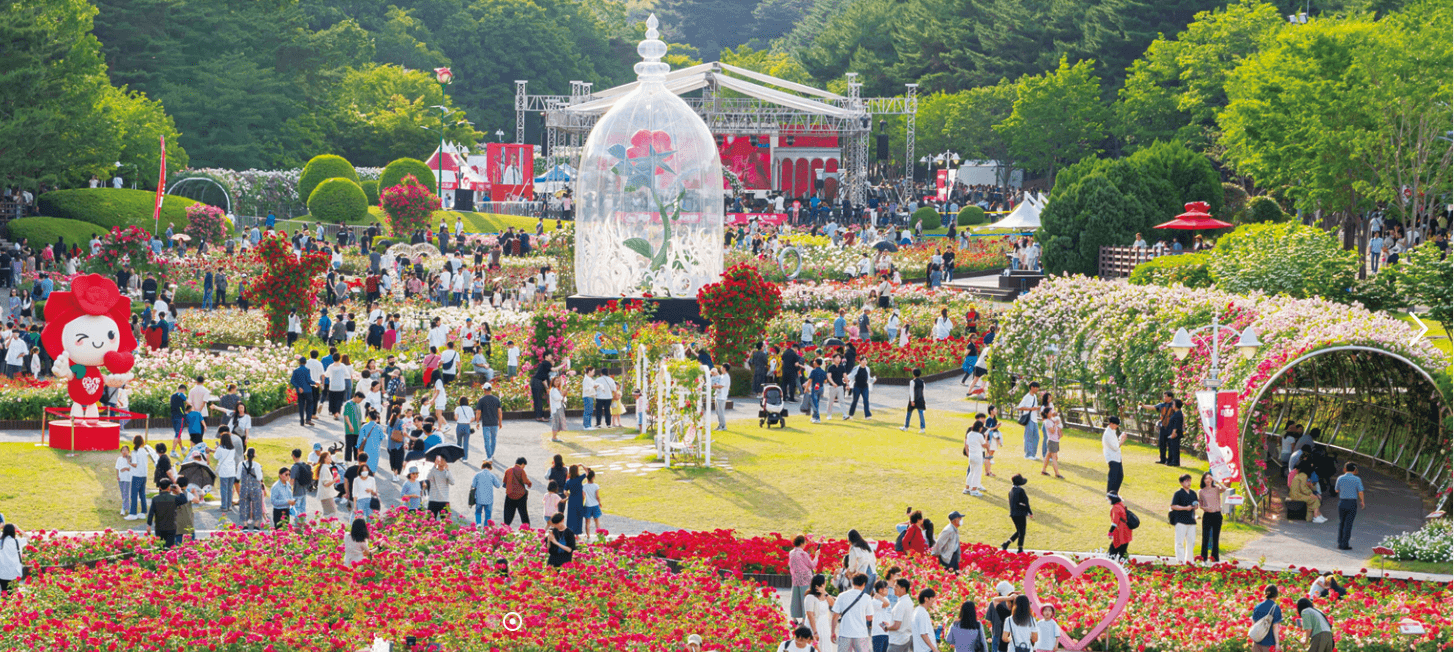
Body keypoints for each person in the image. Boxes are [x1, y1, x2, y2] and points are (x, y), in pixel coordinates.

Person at [830, 573, 875, 652]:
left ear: (853, 582)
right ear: (864, 584)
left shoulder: (841, 596)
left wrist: (833, 632)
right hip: (861, 634)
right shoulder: (867, 598)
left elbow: (835, 616)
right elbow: (869, 618)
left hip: (845, 633)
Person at [788, 535, 820, 624]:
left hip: (795, 578)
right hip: (805, 579)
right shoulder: (803, 554)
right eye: (805, 542)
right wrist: (816, 556)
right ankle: (803, 619)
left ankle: (794, 618)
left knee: (795, 598)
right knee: (804, 599)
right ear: (802, 543)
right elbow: (812, 565)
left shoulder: (791, 553)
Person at [1333, 462, 1365, 550]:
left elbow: (1336, 490)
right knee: (1348, 524)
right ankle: (1345, 544)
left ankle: (1340, 543)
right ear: (1355, 470)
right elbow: (1360, 491)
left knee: (1341, 522)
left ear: (1345, 469)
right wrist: (1362, 501)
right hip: (1352, 503)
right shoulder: (1357, 479)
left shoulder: (1340, 478)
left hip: (1342, 502)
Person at [1170, 473, 1199, 564]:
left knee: (1191, 541)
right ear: (1181, 483)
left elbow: (1196, 504)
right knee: (1179, 542)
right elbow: (1173, 506)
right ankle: (1180, 561)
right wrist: (1185, 508)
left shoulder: (1193, 493)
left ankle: (1189, 560)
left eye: (1189, 481)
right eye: (1186, 481)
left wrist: (1195, 507)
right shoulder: (1178, 493)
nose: (1188, 483)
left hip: (1191, 520)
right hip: (1180, 520)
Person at [1198, 473, 1226, 562]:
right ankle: (1204, 557)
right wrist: (1206, 508)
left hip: (1217, 514)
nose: (1208, 480)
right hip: (1207, 515)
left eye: (1209, 478)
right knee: (1205, 536)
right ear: (1203, 480)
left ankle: (1215, 557)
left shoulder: (1216, 488)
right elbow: (1200, 505)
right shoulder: (1201, 491)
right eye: (1206, 478)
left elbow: (1224, 489)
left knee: (1215, 536)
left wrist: (1217, 481)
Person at [1002, 475, 1033, 554]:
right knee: (1022, 531)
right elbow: (1026, 502)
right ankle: (1020, 548)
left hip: (1013, 514)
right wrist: (1029, 512)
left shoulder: (1010, 491)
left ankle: (1007, 543)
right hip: (1020, 514)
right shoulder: (1021, 490)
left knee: (1019, 531)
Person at [236, 448, 265, 530]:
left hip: (244, 487)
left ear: (246, 455)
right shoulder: (257, 465)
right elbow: (259, 477)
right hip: (255, 488)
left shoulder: (241, 464)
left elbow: (238, 477)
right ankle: (256, 525)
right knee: (257, 506)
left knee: (244, 506)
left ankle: (245, 525)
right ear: (254, 455)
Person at [146, 478, 180, 547]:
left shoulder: (155, 498)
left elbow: (151, 513)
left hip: (159, 527)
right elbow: (184, 499)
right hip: (171, 527)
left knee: (160, 546)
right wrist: (179, 491)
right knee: (170, 547)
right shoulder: (174, 498)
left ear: (160, 487)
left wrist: (149, 525)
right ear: (169, 488)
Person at [802, 575, 834, 645]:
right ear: (822, 584)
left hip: (824, 625)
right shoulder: (810, 597)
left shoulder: (825, 595)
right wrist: (815, 631)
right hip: (814, 625)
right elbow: (810, 615)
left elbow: (832, 604)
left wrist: (825, 592)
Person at [1249, 585, 1283, 652]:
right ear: (1276, 595)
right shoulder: (1275, 608)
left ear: (1265, 594)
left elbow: (1253, 623)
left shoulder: (1257, 606)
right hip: (1269, 644)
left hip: (1256, 643)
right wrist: (1277, 643)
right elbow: (1275, 626)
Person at [472, 460, 503, 526]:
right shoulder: (492, 475)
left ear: (482, 467)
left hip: (479, 498)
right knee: (488, 515)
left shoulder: (477, 475)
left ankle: (478, 524)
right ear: (490, 468)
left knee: (478, 512)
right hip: (489, 499)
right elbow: (498, 485)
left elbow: (473, 485)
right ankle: (486, 528)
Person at [885, 578, 913, 652]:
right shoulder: (909, 601)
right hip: (905, 639)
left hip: (896, 642)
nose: (894, 588)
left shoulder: (901, 604)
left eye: (896, 586)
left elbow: (897, 625)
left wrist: (886, 627)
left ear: (903, 589)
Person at [503, 457, 532, 527]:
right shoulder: (521, 471)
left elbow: (504, 481)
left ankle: (505, 528)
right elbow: (525, 481)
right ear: (522, 464)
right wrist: (529, 483)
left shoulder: (508, 470)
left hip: (510, 494)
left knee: (508, 513)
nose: (524, 467)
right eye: (524, 465)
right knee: (523, 513)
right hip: (520, 495)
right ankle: (527, 529)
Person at [1016, 382, 1041, 460]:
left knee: (1036, 436)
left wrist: (1037, 408)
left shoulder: (1035, 396)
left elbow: (1034, 407)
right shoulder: (1027, 396)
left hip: (1034, 419)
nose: (1037, 389)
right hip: (1029, 418)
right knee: (1028, 436)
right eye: (1036, 387)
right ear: (1032, 387)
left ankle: (1033, 454)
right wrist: (1030, 409)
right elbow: (1019, 407)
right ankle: (1028, 454)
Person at [1102, 417, 1125, 494]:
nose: (1116, 427)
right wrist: (1122, 440)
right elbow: (1115, 447)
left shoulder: (1112, 431)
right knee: (1113, 477)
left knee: (1120, 476)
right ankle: (1110, 494)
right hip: (1111, 457)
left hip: (1117, 457)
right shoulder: (1107, 434)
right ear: (1111, 424)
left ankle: (1114, 493)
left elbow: (1115, 443)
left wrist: (1120, 438)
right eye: (1116, 425)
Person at [1038, 406, 1063, 478]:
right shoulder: (1047, 422)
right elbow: (1052, 431)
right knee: (1054, 457)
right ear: (1046, 414)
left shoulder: (1051, 420)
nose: (1051, 413)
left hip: (1055, 440)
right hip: (1052, 441)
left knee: (1048, 456)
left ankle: (1043, 470)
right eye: (1050, 412)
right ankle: (1057, 473)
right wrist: (1055, 424)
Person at [1107, 493, 1133, 560]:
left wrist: (1110, 531)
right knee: (1123, 551)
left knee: (1113, 550)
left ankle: (1108, 565)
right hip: (1126, 531)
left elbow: (1115, 522)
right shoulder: (1120, 504)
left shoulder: (1116, 507)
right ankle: (1125, 564)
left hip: (1120, 532)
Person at [900, 368, 926, 433]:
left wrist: (912, 401)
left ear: (913, 374)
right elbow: (924, 391)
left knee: (909, 413)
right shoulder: (922, 382)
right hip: (920, 399)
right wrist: (924, 400)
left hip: (914, 399)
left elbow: (911, 392)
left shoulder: (912, 382)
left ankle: (906, 427)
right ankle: (922, 429)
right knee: (921, 414)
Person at [964, 424, 986, 496]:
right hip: (978, 456)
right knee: (977, 473)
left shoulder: (969, 434)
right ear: (979, 428)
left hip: (971, 455)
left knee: (971, 472)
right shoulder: (979, 435)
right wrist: (986, 436)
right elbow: (984, 444)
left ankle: (967, 488)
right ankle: (974, 490)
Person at [580, 467, 603, 537]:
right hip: (595, 505)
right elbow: (597, 496)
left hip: (587, 505)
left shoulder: (584, 486)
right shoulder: (596, 486)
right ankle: (599, 534)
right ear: (593, 477)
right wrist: (599, 503)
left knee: (587, 522)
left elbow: (583, 497)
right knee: (597, 521)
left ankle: (588, 535)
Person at [0, 524, 21, 593]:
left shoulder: (1, 542)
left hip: (2, 572)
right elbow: (29, 538)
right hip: (14, 572)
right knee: (14, 595)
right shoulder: (17, 542)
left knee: (4, 593)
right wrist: (18, 528)